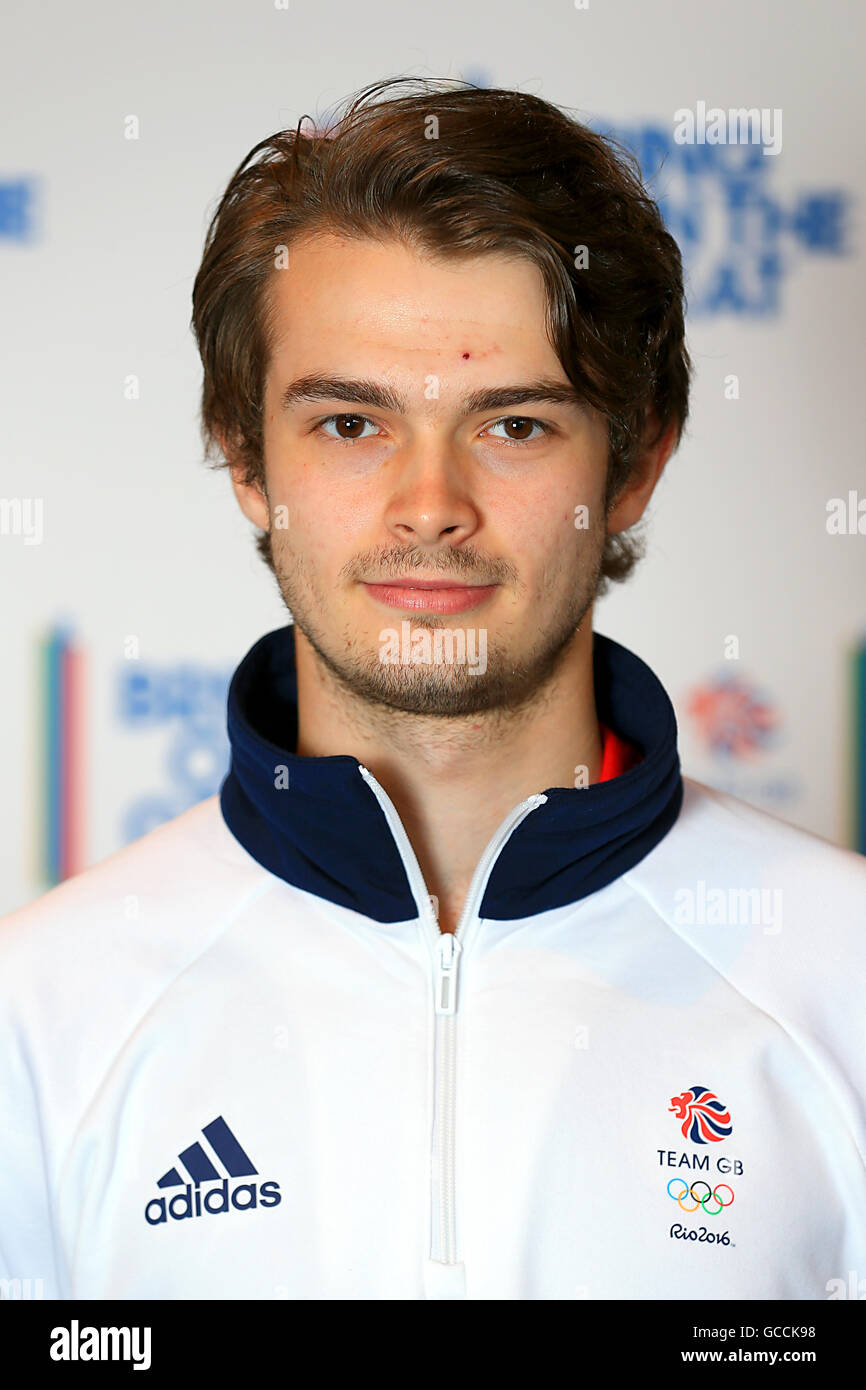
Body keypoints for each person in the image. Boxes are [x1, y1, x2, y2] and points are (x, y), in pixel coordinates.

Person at [1, 77, 863, 1302]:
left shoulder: (844, 980)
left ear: (633, 465)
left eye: (512, 425)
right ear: (247, 458)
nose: (428, 506)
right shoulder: (37, 1019)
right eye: (350, 424)